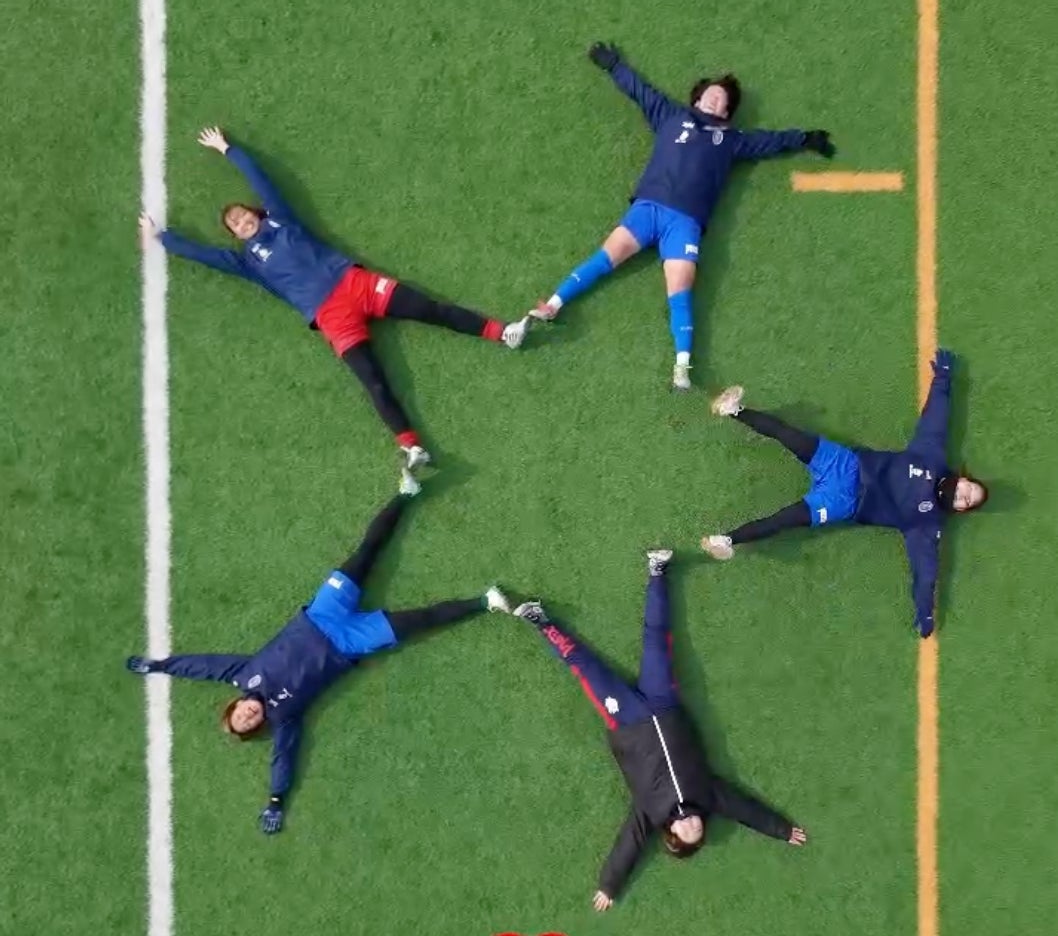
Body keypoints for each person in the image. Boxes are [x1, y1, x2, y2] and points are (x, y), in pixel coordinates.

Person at [126, 469, 511, 834]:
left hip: (323, 612)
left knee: (365, 554)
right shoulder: (285, 717)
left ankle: (406, 492)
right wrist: (276, 800)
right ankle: (486, 601)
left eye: (239, 715)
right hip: (349, 642)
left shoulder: (243, 674)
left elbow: (203, 665)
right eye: (248, 724)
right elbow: (283, 757)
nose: (247, 715)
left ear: (235, 705)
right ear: (257, 726)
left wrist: (159, 665)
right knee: (421, 620)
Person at [139, 127, 531, 469]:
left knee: (431, 309)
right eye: (236, 225)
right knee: (374, 381)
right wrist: (161, 237)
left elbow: (261, 180)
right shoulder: (247, 263)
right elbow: (203, 255)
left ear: (255, 213)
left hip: (355, 283)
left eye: (244, 216)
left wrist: (228, 150)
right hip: (331, 317)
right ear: (236, 236)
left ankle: (503, 332)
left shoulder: (281, 219)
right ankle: (412, 447)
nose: (244, 223)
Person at [527, 43, 834, 390]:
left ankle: (682, 366)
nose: (715, 100)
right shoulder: (670, 115)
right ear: (697, 98)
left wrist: (805, 138)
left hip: (684, 223)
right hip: (647, 209)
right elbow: (640, 91)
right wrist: (614, 66)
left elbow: (769, 141)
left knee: (681, 289)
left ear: (727, 111)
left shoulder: (731, 139)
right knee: (606, 257)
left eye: (721, 99)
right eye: (711, 94)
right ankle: (553, 305)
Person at [512, 551, 806, 909]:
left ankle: (540, 621)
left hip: (627, 722)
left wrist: (609, 886)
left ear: (672, 833)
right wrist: (781, 830)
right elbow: (747, 811)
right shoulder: (710, 796)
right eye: (698, 832)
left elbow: (629, 846)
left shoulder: (649, 812)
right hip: (664, 705)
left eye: (687, 834)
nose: (693, 828)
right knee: (657, 640)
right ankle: (658, 570)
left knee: (586, 667)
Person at [701, 350, 987, 637]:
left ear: (961, 509)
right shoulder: (931, 458)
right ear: (964, 479)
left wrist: (924, 610)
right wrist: (943, 377)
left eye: (967, 501)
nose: (963, 495)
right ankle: (734, 410)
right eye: (969, 489)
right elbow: (935, 421)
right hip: (847, 464)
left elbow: (926, 569)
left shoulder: (927, 523)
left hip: (846, 503)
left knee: (785, 519)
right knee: (791, 436)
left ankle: (726, 540)